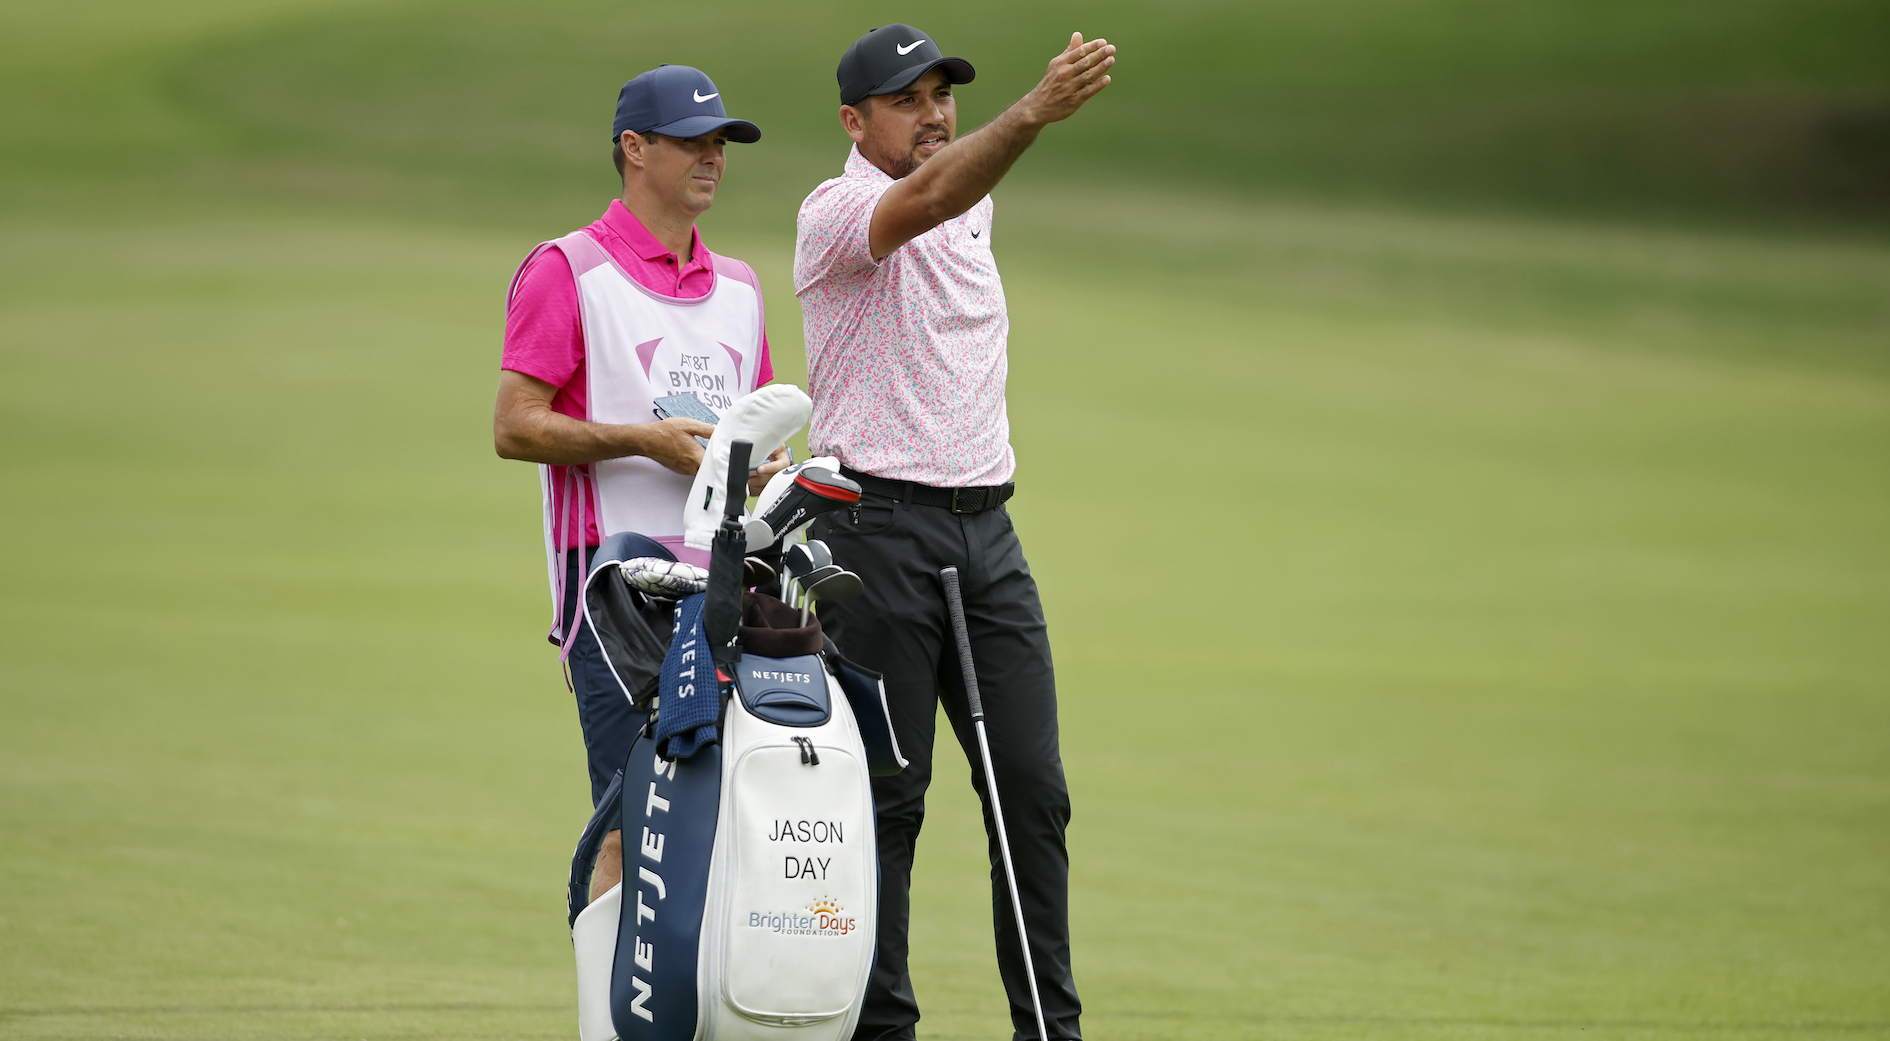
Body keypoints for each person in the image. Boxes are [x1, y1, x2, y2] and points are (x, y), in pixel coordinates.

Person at [794, 24, 1116, 1041]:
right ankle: (880, 1028)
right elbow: (922, 201)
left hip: (988, 534)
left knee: (1032, 793)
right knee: (888, 804)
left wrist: (1007, 132)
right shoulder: (836, 209)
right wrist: (1032, 112)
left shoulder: (974, 201)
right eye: (908, 99)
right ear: (855, 122)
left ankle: (1048, 1030)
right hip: (876, 534)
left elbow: (951, 191)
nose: (935, 113)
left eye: (944, 95)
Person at [493, 64, 787, 902]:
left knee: (730, 820)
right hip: (614, 591)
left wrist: (768, 475)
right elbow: (516, 423)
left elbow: (751, 430)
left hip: (724, 592)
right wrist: (644, 443)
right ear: (634, 147)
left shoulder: (740, 286)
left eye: (721, 142)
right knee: (632, 822)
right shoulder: (567, 270)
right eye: (693, 141)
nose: (713, 157)